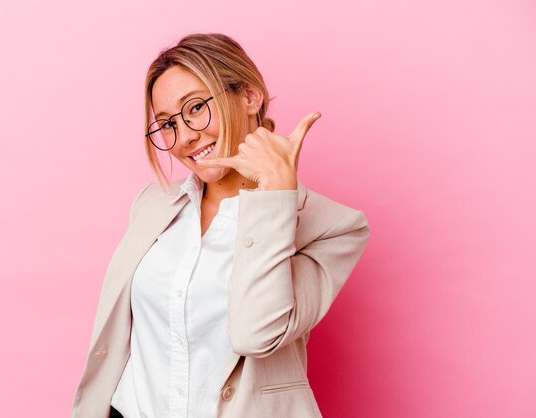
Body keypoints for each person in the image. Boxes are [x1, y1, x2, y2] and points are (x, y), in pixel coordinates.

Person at [71, 33, 370, 418]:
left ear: (249, 96)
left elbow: (256, 334)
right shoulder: (153, 205)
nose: (185, 137)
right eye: (167, 124)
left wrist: (275, 195)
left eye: (195, 107)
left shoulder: (330, 228)